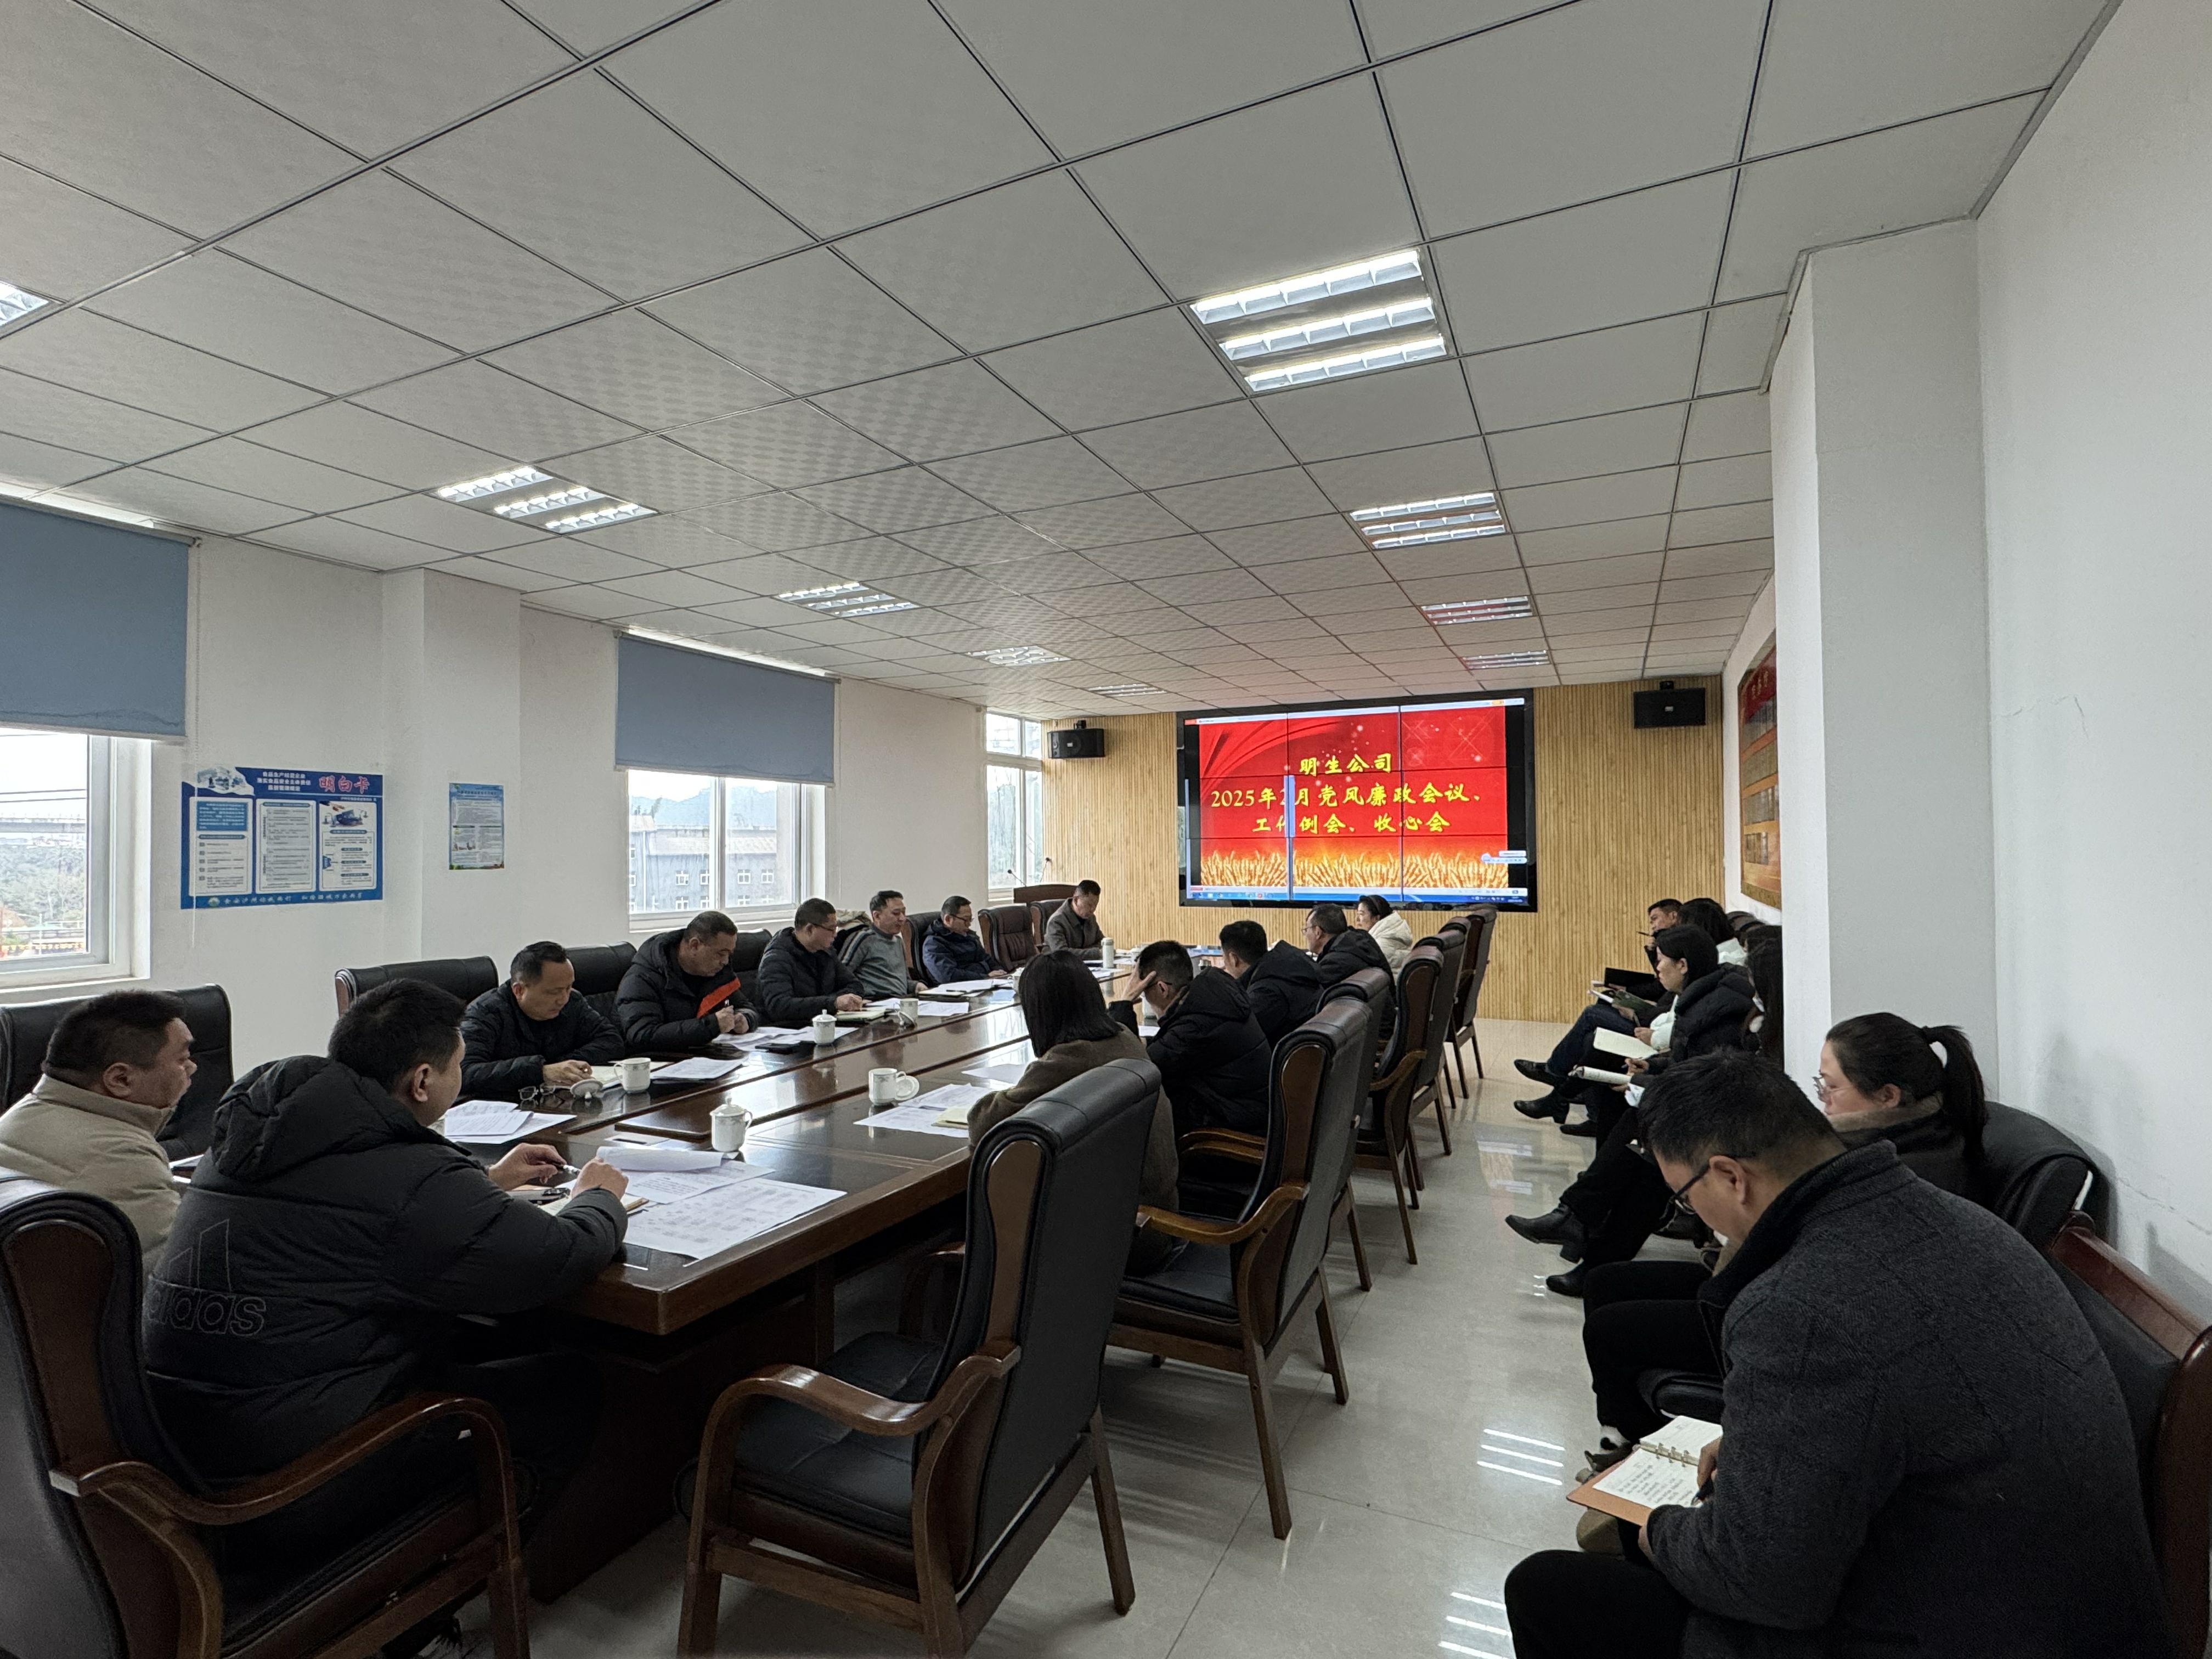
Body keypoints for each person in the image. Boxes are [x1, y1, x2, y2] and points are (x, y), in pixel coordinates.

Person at [1504, 1051, 2173, 1659]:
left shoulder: (1797, 1307)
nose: (1696, 1215)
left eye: (1685, 1197)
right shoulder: (1958, 1219)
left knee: (1551, 1589)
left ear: (1731, 1177)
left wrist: (1658, 1529)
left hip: (1959, 1625)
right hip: (2058, 1606)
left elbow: (1763, 1585)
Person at [143, 980, 631, 1652]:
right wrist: (599, 1199)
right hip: (295, 1481)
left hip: (185, 1450)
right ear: (423, 1081)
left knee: (470, 1343)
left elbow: (354, 1214)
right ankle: (426, 1610)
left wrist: (482, 1184)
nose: (461, 1078)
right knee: (568, 1385)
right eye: (459, 1066)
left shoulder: (257, 1132)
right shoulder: (406, 1175)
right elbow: (555, 1257)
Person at [1576, 1003, 1991, 1452]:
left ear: (1887, 1096)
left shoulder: (1895, 1170)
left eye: (1830, 1086)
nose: (1822, 1100)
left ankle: (1640, 1446)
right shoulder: (1887, 1141)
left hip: (1788, 1309)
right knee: (1606, 1283)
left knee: (1611, 1329)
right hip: (1775, 1286)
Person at [1505, 925, 1754, 1294]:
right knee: (1637, 1152)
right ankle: (1582, 1236)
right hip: (1695, 1109)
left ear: (1683, 965)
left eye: (1661, 960)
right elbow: (1690, 1064)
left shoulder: (1713, 1011)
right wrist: (1651, 1068)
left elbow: (1702, 1079)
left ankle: (1576, 1220)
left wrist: (1646, 1082)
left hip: (1708, 1122)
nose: (1657, 968)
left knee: (1640, 1153)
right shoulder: (1709, 999)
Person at [968, 950, 1177, 1272]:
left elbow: (984, 1123)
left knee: (994, 1206)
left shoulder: (1071, 1058)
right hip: (1157, 1220)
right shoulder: (1122, 1036)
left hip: (1124, 1238)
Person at [0, 989, 195, 1253]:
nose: (192, 1068)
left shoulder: (17, 1118)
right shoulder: (126, 1159)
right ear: (121, 1080)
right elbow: (185, 1268)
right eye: (182, 1060)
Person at [1516, 897, 1685, 1117]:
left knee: (1592, 1017)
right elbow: (1662, 987)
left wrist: (1637, 1014)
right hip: (1655, 1020)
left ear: (1674, 916)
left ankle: (1556, 1074)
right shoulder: (1678, 952)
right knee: (1603, 1007)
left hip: (1653, 1029)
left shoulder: (1686, 956)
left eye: (1655, 919)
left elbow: (1664, 994)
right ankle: (1574, 1095)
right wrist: (1627, 988)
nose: (1652, 925)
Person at [1110, 940, 1271, 1136]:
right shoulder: (1213, 992)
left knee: (1136, 1107)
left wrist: (1124, 1004)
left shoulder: (1194, 1028)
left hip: (1238, 1125)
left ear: (1162, 989)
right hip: (1252, 1109)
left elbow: (1137, 1070)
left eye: (1144, 993)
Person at [460, 940, 623, 1099]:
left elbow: (611, 1040)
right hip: (507, 1107)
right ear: (519, 991)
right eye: (554, 992)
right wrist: (541, 1071)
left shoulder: (572, 1002)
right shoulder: (486, 1013)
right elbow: (465, 1072)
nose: (563, 999)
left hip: (559, 1101)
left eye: (568, 988)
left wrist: (563, 1065)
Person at [618, 909, 757, 1049]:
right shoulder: (642, 979)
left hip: (703, 1055)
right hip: (661, 1059)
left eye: (729, 954)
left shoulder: (716, 973)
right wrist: (711, 1025)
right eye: (721, 954)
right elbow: (643, 1035)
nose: (725, 961)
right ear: (694, 945)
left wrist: (745, 1018)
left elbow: (745, 1006)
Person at [756, 898, 869, 1025]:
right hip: (789, 1029)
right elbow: (780, 1007)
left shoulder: (826, 952)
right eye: (831, 929)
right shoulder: (777, 959)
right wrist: (833, 1003)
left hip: (823, 1023)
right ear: (810, 929)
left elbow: (855, 986)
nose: (835, 935)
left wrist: (836, 1002)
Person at [1305, 902, 1395, 1050]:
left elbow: (1312, 1008)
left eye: (1307, 929)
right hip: (1382, 1027)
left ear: (1318, 932)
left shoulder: (1336, 963)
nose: (1306, 935)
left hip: (1373, 1040)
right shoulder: (1360, 940)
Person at [1218, 918, 1321, 1045]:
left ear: (1234, 959)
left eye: (1224, 956)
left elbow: (1233, 1039)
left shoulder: (1266, 994)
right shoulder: (1287, 970)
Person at [839, 889, 919, 999]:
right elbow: (841, 976)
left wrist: (916, 986)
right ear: (877, 916)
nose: (902, 918)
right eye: (896, 913)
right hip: (875, 1001)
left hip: (899, 1000)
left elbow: (903, 981)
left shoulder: (898, 941)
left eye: (904, 913)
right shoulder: (864, 939)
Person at [921, 894, 1003, 984]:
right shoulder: (934, 944)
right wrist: (985, 977)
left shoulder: (968, 936)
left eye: (970, 920)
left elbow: (987, 959)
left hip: (984, 982)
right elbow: (948, 976)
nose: (969, 924)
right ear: (948, 919)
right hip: (958, 989)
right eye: (965, 920)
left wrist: (1000, 973)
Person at [1042, 879, 1105, 959]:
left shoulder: (1091, 918)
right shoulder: (1056, 922)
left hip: (1086, 964)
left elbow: (1103, 943)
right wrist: (1094, 953)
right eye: (1089, 905)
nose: (1093, 910)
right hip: (1058, 965)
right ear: (1076, 900)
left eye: (1095, 905)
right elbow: (1061, 954)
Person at [1352, 894, 1415, 971]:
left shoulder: (1381, 945)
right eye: (1358, 914)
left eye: (1361, 914)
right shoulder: (1390, 934)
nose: (1357, 919)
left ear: (1376, 918)